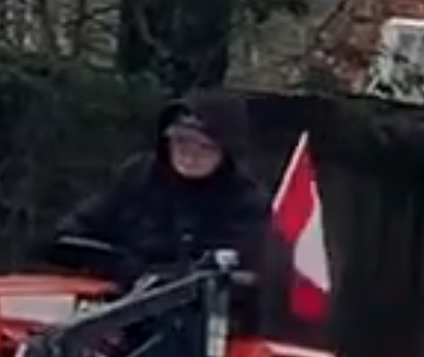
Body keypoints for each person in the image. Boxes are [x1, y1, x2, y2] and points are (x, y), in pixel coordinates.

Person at [53, 89, 278, 277]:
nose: (190, 156)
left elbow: (236, 269)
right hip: (117, 300)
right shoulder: (139, 177)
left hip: (201, 309)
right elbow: (79, 229)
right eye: (181, 142)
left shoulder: (245, 203)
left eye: (205, 147)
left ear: (226, 152)